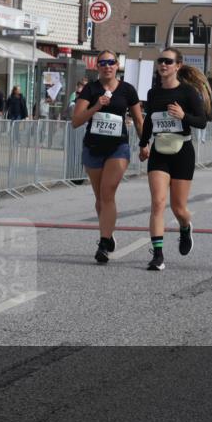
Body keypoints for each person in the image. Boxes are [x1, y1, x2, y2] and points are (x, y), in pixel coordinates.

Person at [138, 48, 209, 271]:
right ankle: (157, 255)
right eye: (161, 61)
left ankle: (185, 227)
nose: (163, 64)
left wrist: (183, 116)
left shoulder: (188, 93)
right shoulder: (153, 93)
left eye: (168, 61)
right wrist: (143, 143)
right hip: (160, 151)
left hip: (182, 152)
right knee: (158, 203)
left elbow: (202, 121)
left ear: (178, 65)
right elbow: (150, 120)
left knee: (179, 208)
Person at [72, 50, 143, 263]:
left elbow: (139, 120)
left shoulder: (127, 90)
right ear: (97, 66)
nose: (107, 66)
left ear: (117, 65)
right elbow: (76, 121)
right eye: (102, 63)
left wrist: (145, 143)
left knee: (108, 192)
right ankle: (108, 233)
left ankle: (103, 244)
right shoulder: (90, 89)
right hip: (93, 148)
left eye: (111, 62)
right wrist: (96, 106)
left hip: (118, 147)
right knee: (100, 199)